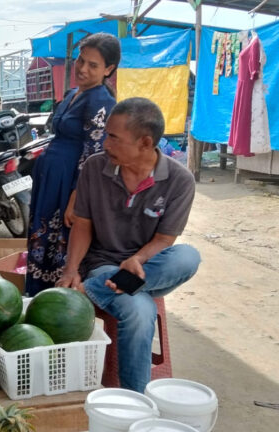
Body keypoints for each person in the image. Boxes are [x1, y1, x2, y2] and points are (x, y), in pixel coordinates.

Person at [57, 97, 201, 392]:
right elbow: (82, 224)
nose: (105, 144)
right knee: (139, 311)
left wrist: (138, 259)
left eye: (113, 137)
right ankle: (137, 401)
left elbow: (165, 240)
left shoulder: (180, 180)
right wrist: (71, 269)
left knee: (188, 256)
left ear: (145, 143)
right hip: (101, 263)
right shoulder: (95, 168)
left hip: (148, 267)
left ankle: (93, 291)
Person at [26, 33, 121, 296]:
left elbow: (93, 155)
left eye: (93, 65)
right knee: (42, 237)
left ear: (108, 69)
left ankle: (55, 298)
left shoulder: (100, 101)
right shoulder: (72, 94)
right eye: (81, 60)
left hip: (69, 183)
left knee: (60, 242)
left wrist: (76, 199)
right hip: (51, 179)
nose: (82, 68)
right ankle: (35, 294)